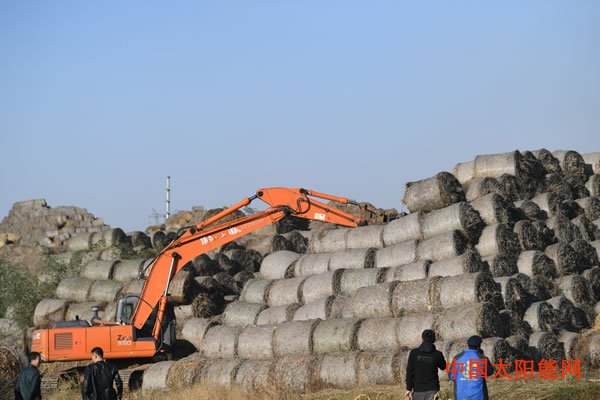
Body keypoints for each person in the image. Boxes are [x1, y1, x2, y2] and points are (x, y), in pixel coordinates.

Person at [448, 335, 494, 400]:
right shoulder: (482, 358)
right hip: (478, 396)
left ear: (468, 345)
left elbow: (451, 376)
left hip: (461, 395)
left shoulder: (457, 357)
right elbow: (489, 372)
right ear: (479, 346)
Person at [405, 329, 446, 400]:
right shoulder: (438, 354)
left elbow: (409, 371)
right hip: (433, 390)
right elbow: (443, 367)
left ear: (422, 338)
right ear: (434, 339)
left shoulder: (414, 353)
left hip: (418, 390)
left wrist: (409, 388)